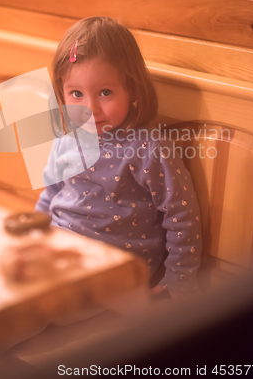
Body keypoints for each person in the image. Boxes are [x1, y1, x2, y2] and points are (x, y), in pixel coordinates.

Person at [36, 17, 202, 300]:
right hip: (58, 247)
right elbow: (51, 193)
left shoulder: (149, 148)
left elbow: (181, 216)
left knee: (40, 305)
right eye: (76, 94)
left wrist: (180, 279)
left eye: (105, 92)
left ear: (133, 89)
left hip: (114, 268)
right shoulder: (68, 137)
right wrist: (33, 233)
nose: (91, 109)